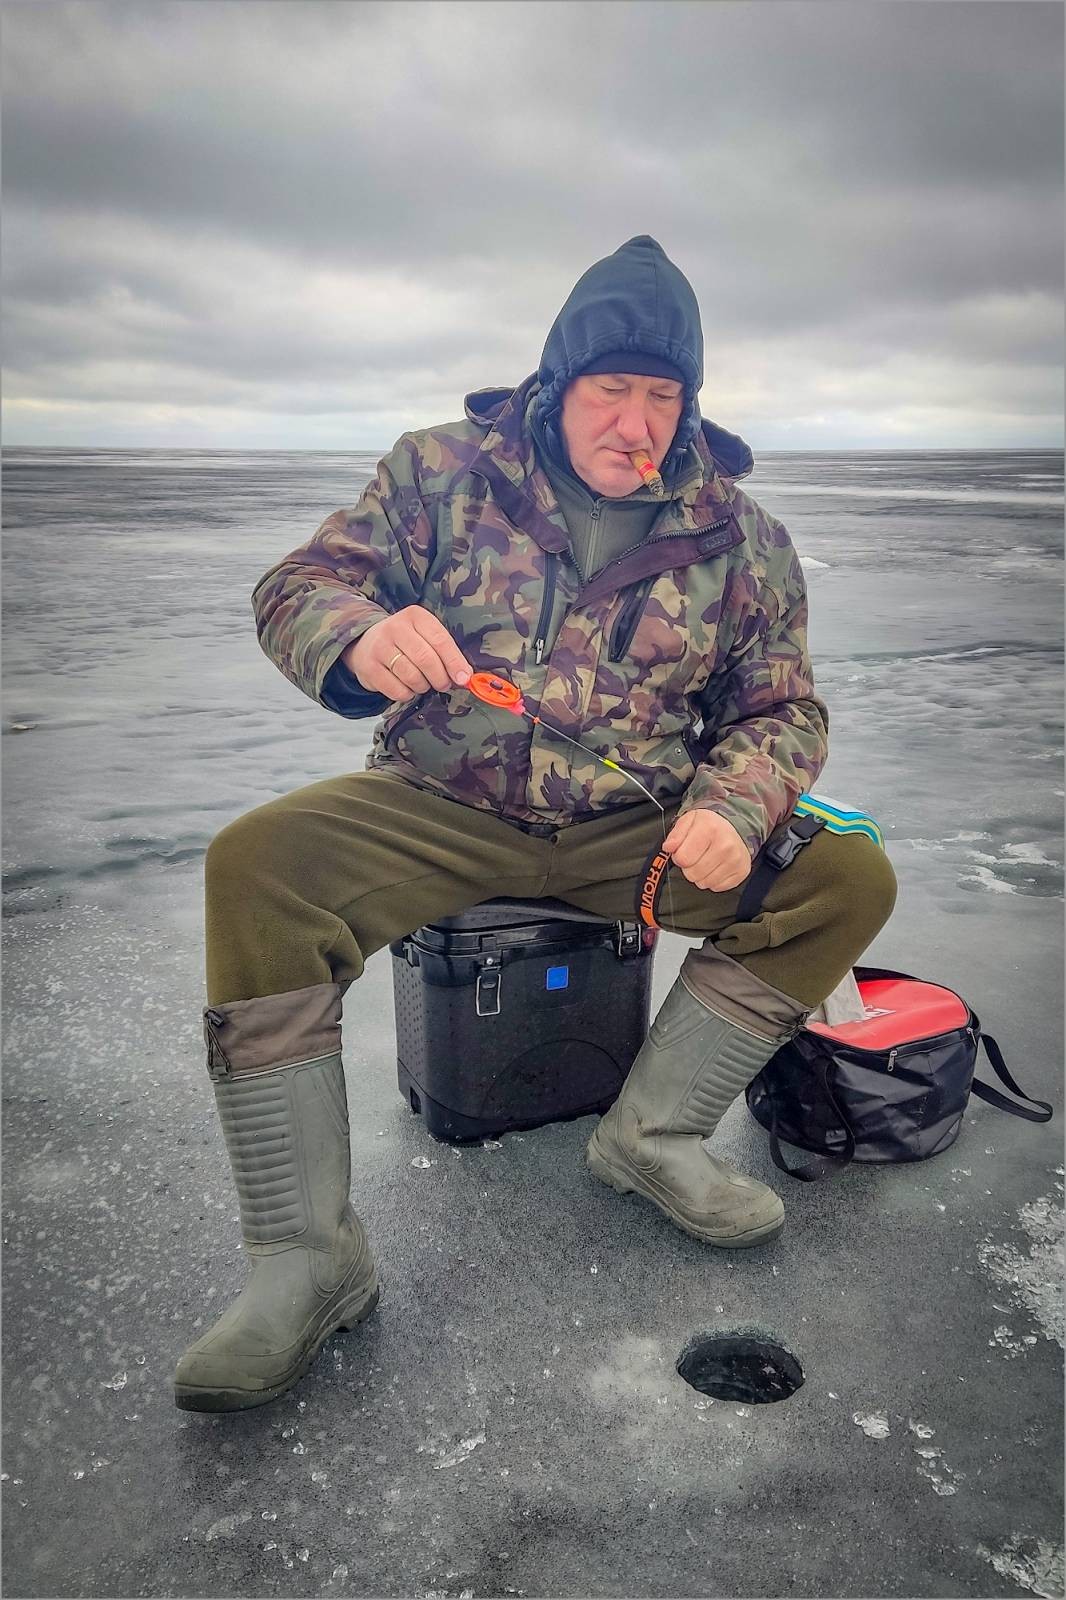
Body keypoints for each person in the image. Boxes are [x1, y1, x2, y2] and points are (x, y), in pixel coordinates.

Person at [175, 236, 897, 1412]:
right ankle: (308, 1255)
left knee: (846, 876)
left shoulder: (741, 537)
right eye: (610, 389)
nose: (635, 422)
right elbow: (296, 587)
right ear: (558, 384)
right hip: (440, 805)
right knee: (256, 867)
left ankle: (652, 1135)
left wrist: (733, 802)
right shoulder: (438, 473)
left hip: (633, 828)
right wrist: (357, 636)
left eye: (661, 395)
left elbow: (781, 709)